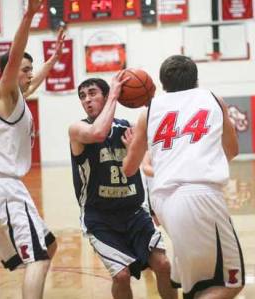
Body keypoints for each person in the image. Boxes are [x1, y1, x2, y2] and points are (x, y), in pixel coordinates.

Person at [122, 55, 245, 299]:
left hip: (164, 203)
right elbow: (232, 150)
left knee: (196, 284)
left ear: (162, 83)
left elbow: (128, 169)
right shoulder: (212, 99)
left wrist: (129, 151)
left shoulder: (149, 111)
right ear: (196, 78)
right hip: (202, 197)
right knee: (232, 283)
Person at [0, 1, 65, 298]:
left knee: (49, 245)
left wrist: (52, 60)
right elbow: (16, 56)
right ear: (10, 72)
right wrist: (29, 16)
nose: (29, 75)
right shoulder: (5, 92)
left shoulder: (17, 99)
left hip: (1, 188)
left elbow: (34, 81)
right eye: (24, 69)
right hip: (4, 189)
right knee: (38, 259)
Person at [69, 74, 177, 299]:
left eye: (92, 94)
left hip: (134, 214)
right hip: (100, 218)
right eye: (82, 96)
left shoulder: (129, 128)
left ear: (105, 96)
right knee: (121, 276)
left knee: (164, 265)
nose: (87, 100)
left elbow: (146, 165)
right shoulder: (77, 130)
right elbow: (98, 133)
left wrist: (134, 149)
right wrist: (115, 95)